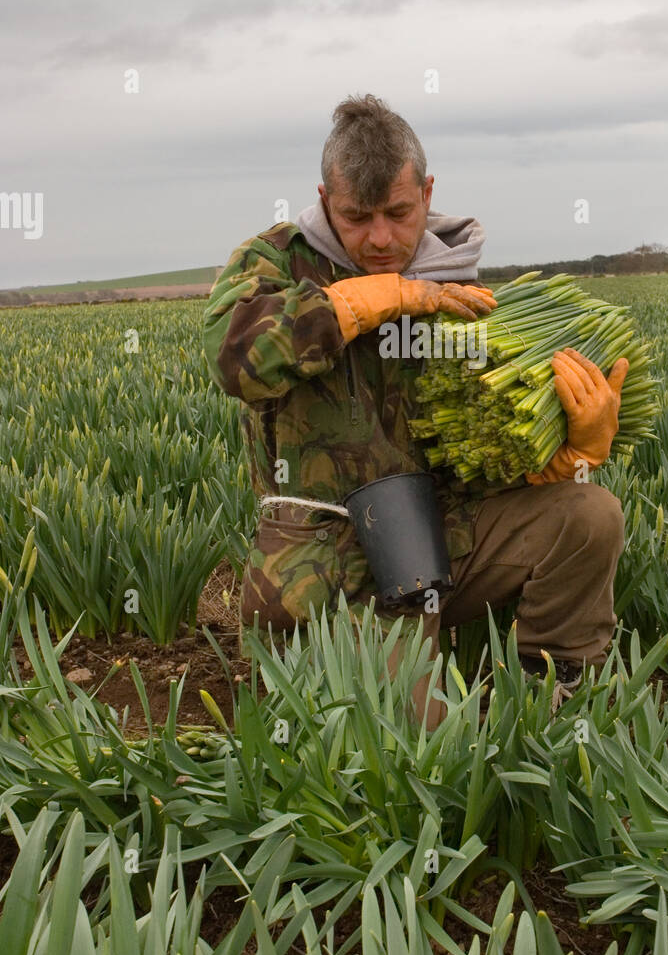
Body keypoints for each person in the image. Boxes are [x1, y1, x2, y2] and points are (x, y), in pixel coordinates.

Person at [202, 93, 627, 723]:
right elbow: (234, 359)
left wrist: (572, 450)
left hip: (439, 542)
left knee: (588, 514)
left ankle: (556, 694)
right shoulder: (276, 262)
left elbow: (481, 454)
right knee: (418, 747)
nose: (380, 238)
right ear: (325, 202)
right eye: (357, 217)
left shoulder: (459, 284)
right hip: (327, 565)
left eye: (398, 213)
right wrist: (367, 302)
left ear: (427, 193)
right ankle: (341, 686)